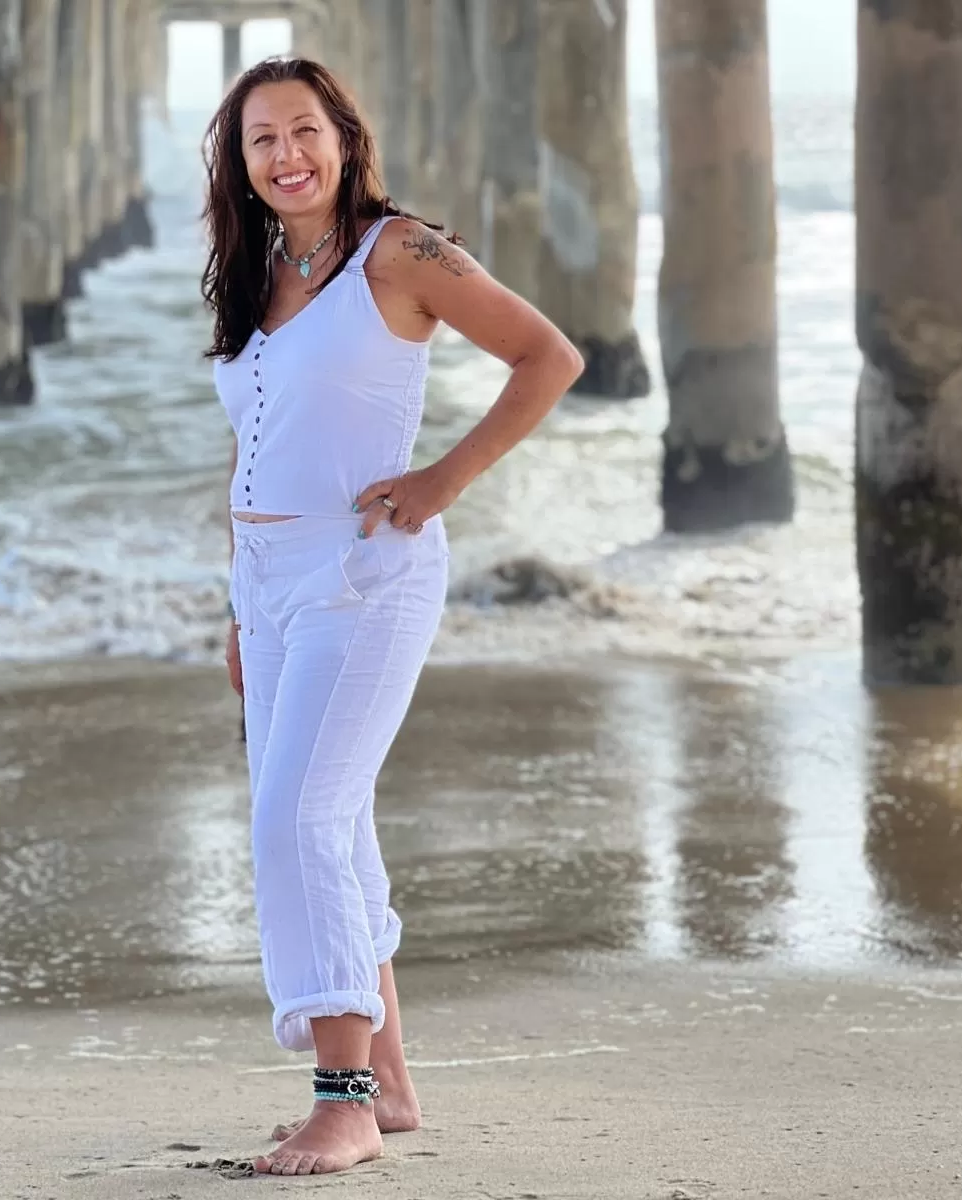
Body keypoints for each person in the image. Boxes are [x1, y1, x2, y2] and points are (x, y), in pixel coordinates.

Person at [201, 56, 584, 1177]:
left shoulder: (399, 250)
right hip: (270, 587)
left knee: (297, 824)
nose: (287, 155)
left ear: (344, 137)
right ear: (241, 161)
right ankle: (396, 1088)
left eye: (304, 131)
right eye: (262, 138)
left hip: (366, 577)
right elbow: (254, 447)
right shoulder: (253, 272)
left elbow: (547, 355)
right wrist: (237, 608)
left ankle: (344, 1099)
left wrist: (439, 482)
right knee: (336, 823)